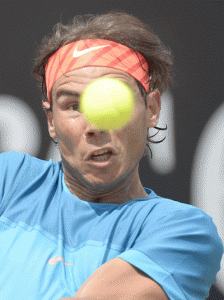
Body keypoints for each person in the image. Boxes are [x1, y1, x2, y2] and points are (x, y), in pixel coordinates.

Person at [0, 11, 223, 300]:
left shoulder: (187, 234)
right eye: (73, 105)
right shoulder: (8, 179)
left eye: (112, 101)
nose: (95, 126)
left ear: (152, 109)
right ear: (51, 121)